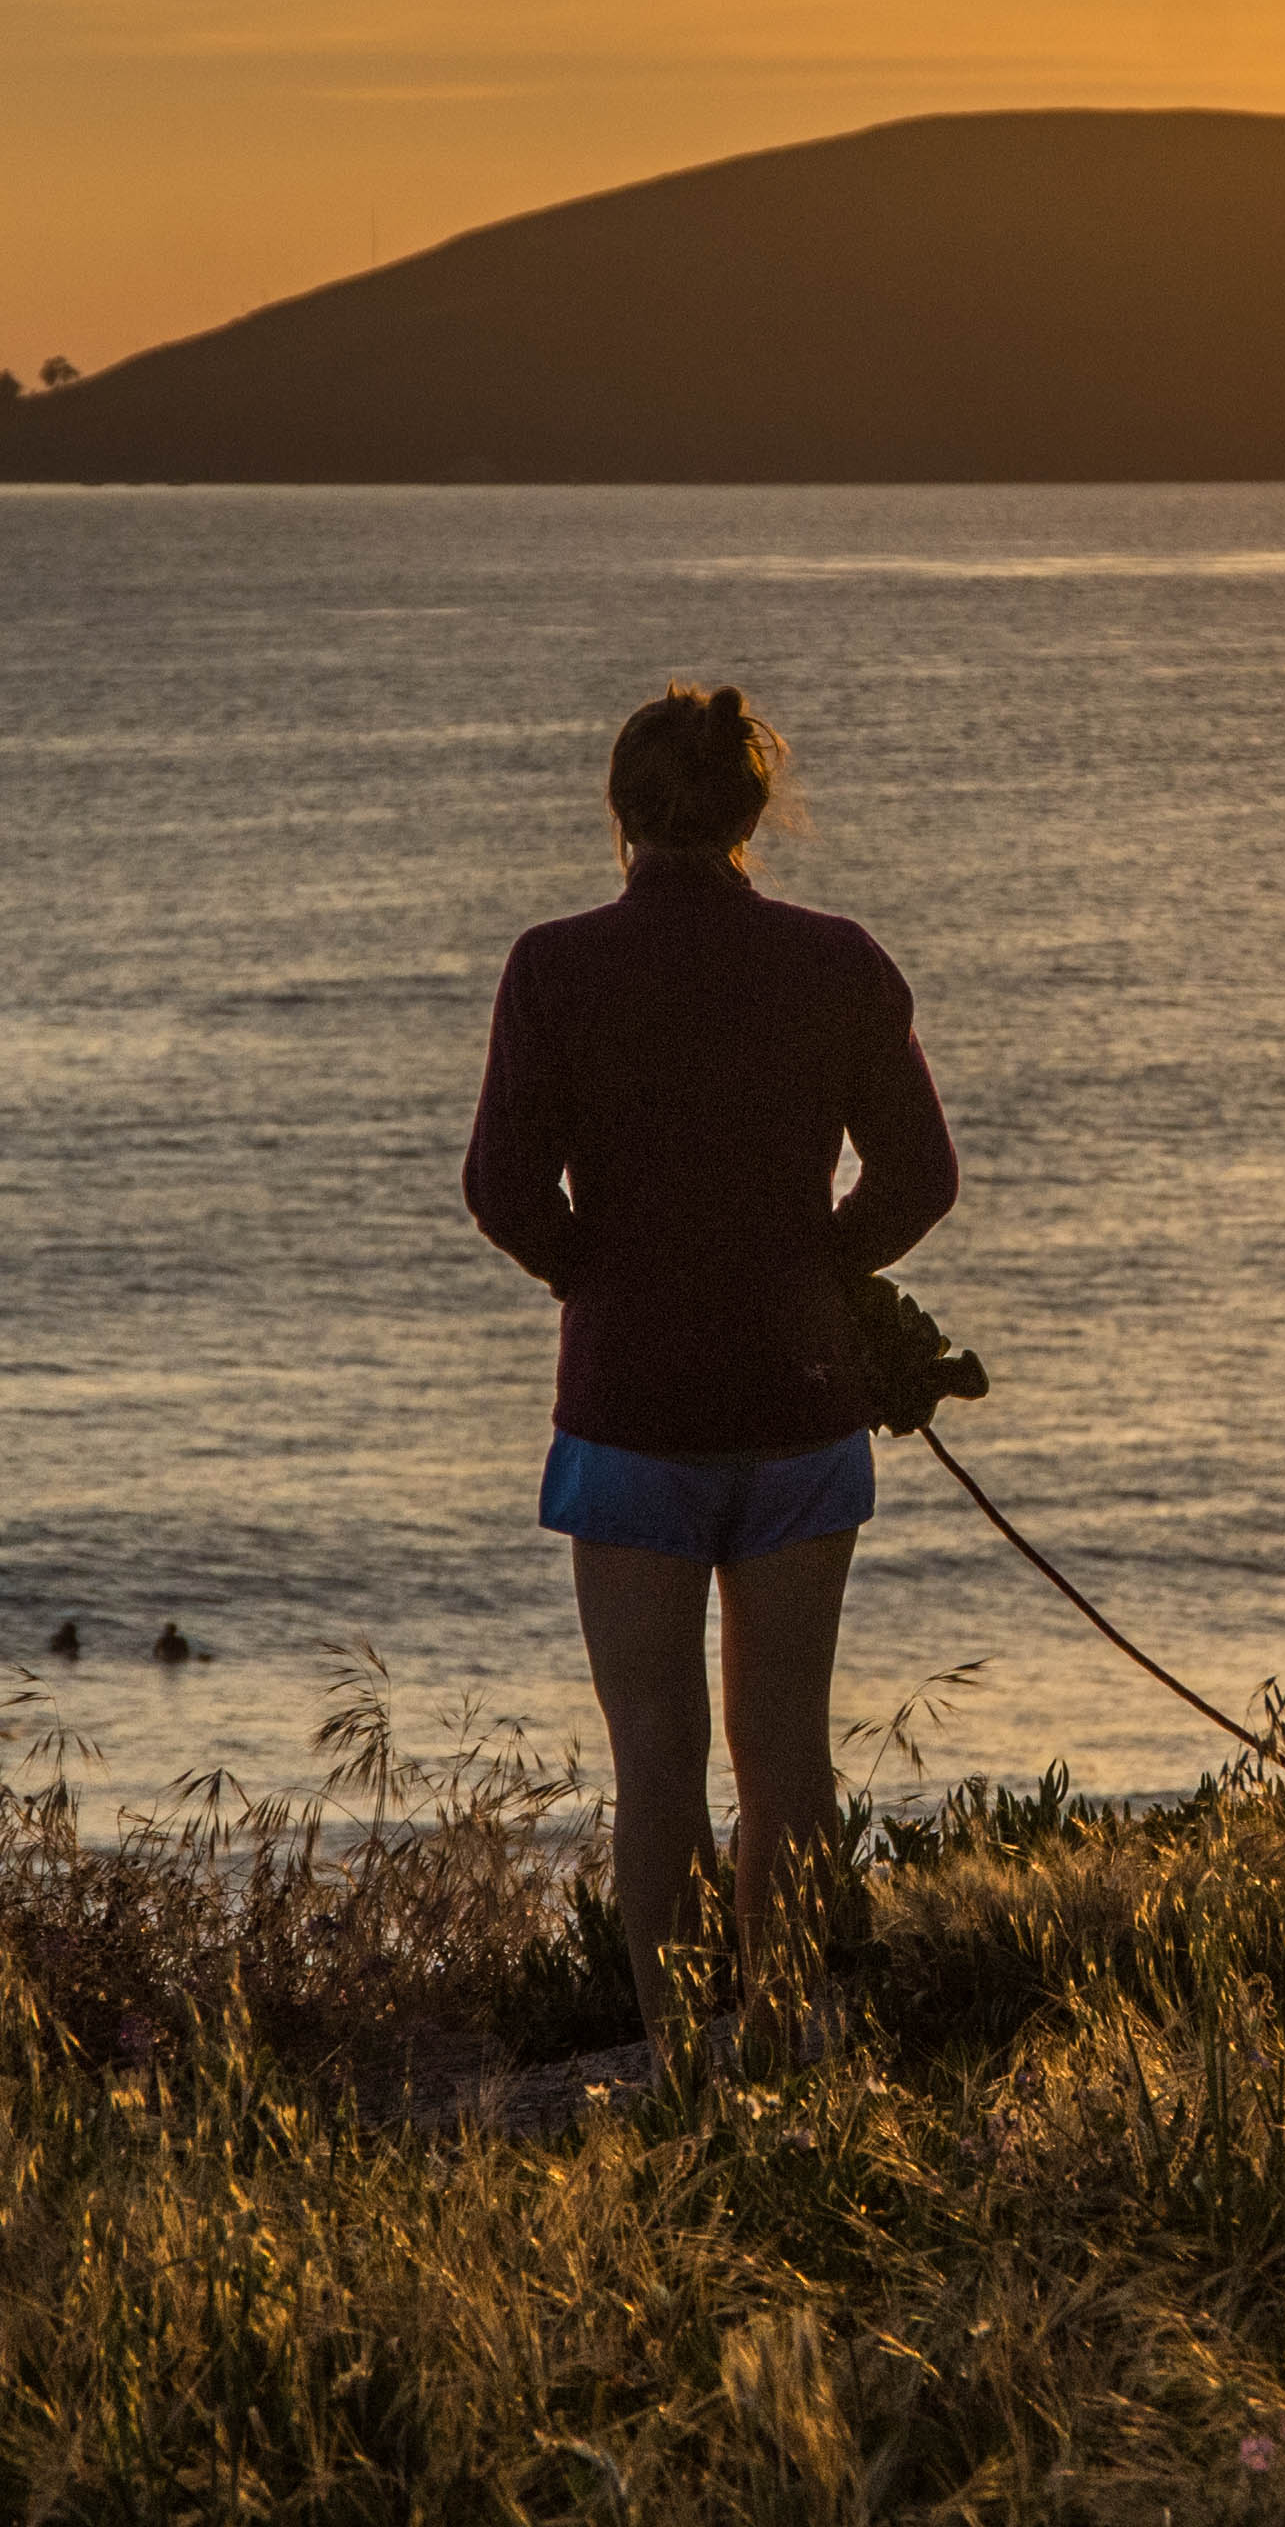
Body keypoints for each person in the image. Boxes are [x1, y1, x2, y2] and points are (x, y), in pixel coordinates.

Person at [464, 682, 958, 2057]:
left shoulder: (555, 968)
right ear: (753, 813)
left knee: (658, 1765)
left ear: (619, 816)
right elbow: (921, 1176)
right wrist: (819, 1268)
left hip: (628, 1414)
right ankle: (784, 2032)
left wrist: (598, 1277)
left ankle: (685, 2057)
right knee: (788, 1759)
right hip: (800, 1405)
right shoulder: (837, 961)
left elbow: (502, 1188)